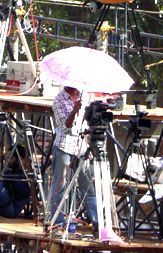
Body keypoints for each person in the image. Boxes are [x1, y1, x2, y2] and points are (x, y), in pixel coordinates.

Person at [49, 86, 98, 230]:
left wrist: (88, 144)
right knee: (60, 188)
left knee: (88, 187)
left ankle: (97, 222)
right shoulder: (58, 100)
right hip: (64, 146)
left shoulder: (84, 94)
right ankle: (57, 225)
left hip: (81, 147)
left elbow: (87, 123)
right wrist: (74, 110)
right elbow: (65, 127)